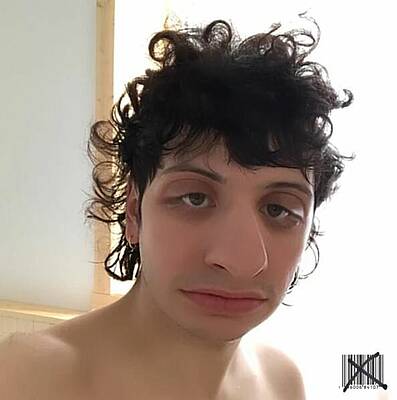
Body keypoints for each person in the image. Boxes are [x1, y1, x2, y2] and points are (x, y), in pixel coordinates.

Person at [0, 16, 354, 399]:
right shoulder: (28, 378)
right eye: (195, 198)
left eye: (278, 210)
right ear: (134, 212)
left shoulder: (282, 382)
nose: (241, 261)